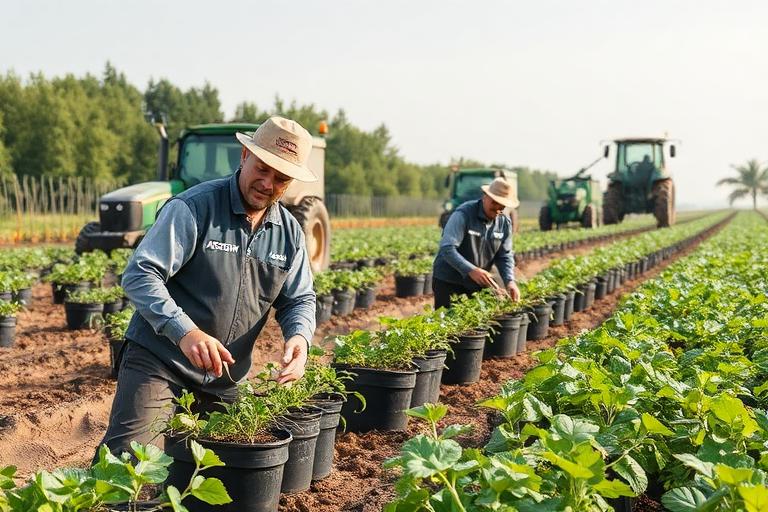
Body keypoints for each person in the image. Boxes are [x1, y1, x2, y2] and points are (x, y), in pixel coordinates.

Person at [96, 116, 317, 457]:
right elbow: (141, 274)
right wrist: (186, 332)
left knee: (232, 475)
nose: (266, 183)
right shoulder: (194, 208)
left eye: (280, 178)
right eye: (262, 168)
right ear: (244, 156)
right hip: (161, 362)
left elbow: (299, 297)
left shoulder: (289, 233)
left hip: (226, 379)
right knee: (128, 463)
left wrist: (300, 338)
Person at [432, 177, 521, 309]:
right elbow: (447, 248)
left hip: (476, 283)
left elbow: (504, 256)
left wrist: (510, 281)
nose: (497, 208)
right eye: (494, 202)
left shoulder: (504, 223)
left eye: (502, 205)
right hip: (449, 280)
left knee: (473, 325)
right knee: (448, 324)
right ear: (485, 197)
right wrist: (471, 270)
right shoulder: (463, 214)